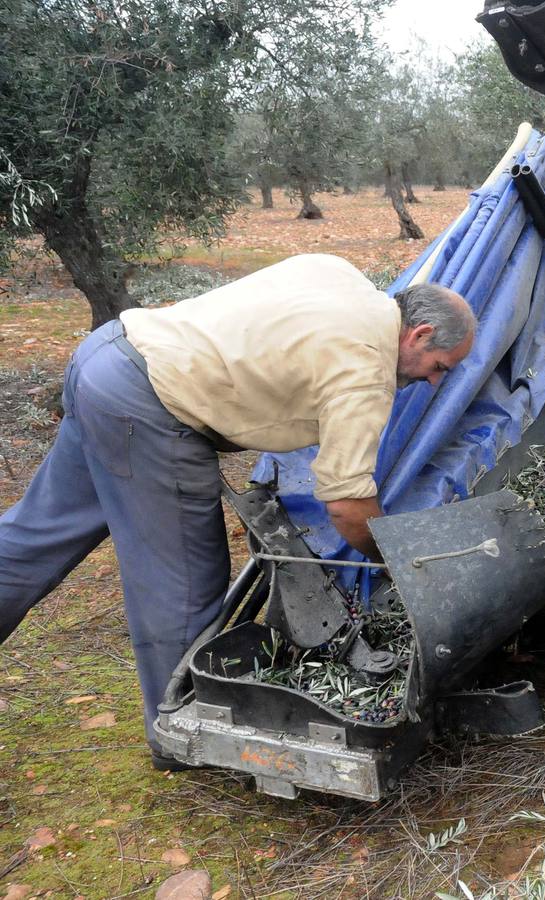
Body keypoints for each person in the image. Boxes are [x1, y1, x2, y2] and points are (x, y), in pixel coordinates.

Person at [0, 254, 476, 768]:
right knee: (184, 582)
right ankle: (180, 734)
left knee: (37, 535)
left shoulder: (341, 275)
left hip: (107, 356)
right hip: (153, 408)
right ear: (419, 334)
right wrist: (399, 563)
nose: (431, 383)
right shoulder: (365, 370)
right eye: (438, 369)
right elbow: (346, 504)